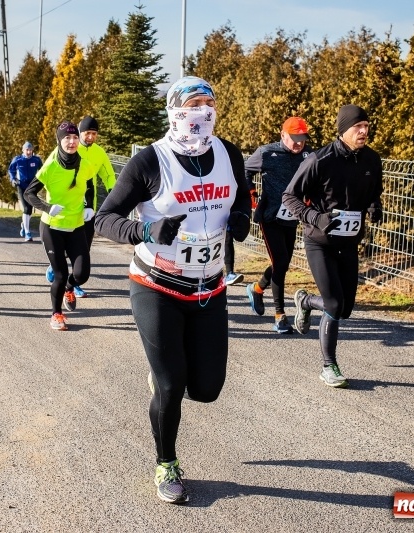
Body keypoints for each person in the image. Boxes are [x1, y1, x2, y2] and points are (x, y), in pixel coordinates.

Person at [94, 76, 251, 504]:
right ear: (176, 110)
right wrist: (145, 228)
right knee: (170, 384)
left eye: (210, 104)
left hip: (209, 287)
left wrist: (241, 217)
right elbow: (104, 219)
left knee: (206, 388)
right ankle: (166, 463)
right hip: (156, 284)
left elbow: (241, 197)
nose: (203, 111)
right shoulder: (150, 161)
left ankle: (165, 375)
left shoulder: (228, 153)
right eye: (194, 104)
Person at [282, 104, 383, 388]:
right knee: (335, 303)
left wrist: (375, 206)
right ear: (343, 130)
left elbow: (374, 192)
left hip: (349, 243)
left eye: (366, 126)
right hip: (320, 242)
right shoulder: (319, 160)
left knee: (345, 308)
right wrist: (315, 217)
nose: (364, 131)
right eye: (357, 127)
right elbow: (289, 196)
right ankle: (329, 366)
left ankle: (305, 301)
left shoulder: (372, 161)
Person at [244, 116, 313, 333]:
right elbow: (244, 171)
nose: (298, 143)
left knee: (281, 263)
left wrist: (311, 197)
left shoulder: (308, 154)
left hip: (292, 217)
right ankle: (280, 315)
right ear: (283, 135)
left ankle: (257, 288)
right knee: (281, 261)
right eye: (294, 138)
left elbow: (316, 178)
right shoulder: (266, 153)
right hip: (270, 215)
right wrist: (251, 193)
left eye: (302, 138)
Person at [24, 122, 95, 330]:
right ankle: (56, 314)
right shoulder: (51, 166)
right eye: (67, 138)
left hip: (76, 225)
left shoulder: (85, 163)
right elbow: (29, 193)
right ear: (59, 140)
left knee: (82, 274)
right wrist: (47, 207)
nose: (72, 142)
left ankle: (69, 288)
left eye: (74, 138)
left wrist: (89, 206)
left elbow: (90, 185)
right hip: (52, 228)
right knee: (61, 273)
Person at [57, 115, 117, 297]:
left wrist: (114, 194)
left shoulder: (99, 153)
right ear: (80, 133)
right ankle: (57, 266)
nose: (90, 137)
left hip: (89, 210)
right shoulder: (71, 147)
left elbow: (108, 175)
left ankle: (73, 283)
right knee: (65, 246)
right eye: (87, 133)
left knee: (83, 249)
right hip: (69, 207)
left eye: (94, 133)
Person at [8, 141, 43, 241]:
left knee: (30, 210)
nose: (29, 152)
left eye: (30, 150)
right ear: (23, 150)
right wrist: (13, 179)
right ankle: (27, 232)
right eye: (27, 150)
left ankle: (24, 224)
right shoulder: (18, 159)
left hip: (32, 187)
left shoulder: (36, 160)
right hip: (21, 186)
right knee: (26, 209)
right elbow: (11, 170)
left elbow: (42, 170)